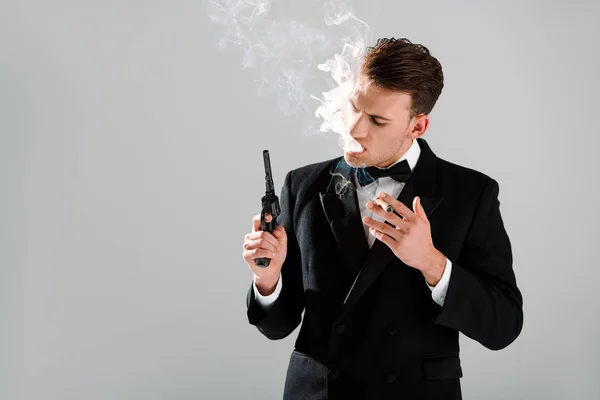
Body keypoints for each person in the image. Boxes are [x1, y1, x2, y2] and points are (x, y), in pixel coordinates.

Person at [242, 37, 523, 400]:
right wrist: (268, 280)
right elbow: (278, 326)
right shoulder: (303, 185)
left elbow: (504, 326)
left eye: (377, 120)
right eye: (355, 108)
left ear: (417, 127)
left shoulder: (471, 193)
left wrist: (432, 263)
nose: (355, 129)